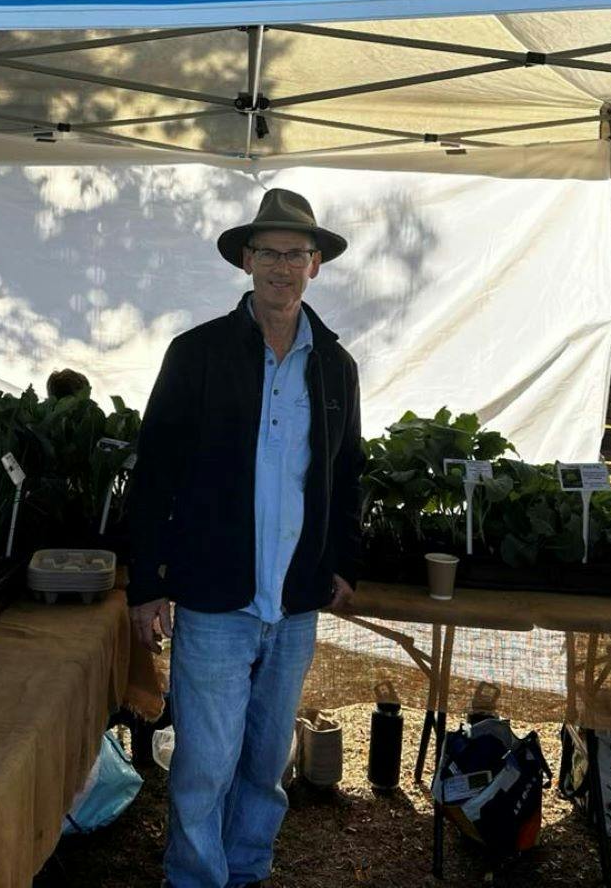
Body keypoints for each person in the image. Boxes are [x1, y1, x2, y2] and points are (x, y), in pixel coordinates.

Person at [127, 187, 364, 888]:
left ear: (316, 265)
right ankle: (197, 877)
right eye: (269, 252)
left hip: (292, 603)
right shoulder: (197, 353)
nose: (282, 267)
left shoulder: (335, 368)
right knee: (206, 762)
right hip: (214, 595)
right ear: (247, 261)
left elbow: (348, 472)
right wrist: (148, 585)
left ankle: (250, 869)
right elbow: (154, 477)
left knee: (266, 761)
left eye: (296, 254)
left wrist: (343, 561)